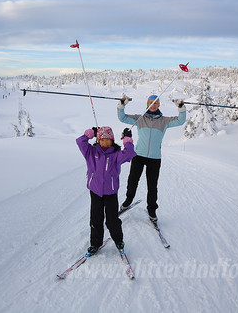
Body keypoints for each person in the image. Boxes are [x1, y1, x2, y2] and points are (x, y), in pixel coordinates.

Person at [117, 94, 186, 221]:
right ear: (147, 104)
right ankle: (128, 201)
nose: (153, 105)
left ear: (159, 105)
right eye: (151, 102)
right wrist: (122, 104)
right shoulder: (140, 119)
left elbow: (180, 121)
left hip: (154, 158)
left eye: (155, 103)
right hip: (138, 155)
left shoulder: (164, 121)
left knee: (152, 185)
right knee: (133, 180)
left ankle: (152, 210)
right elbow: (122, 118)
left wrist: (181, 108)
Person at [76, 126, 136, 254]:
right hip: (95, 192)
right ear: (98, 140)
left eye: (108, 140)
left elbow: (130, 154)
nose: (105, 143)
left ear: (112, 140)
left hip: (111, 193)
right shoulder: (91, 152)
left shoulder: (116, 155)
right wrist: (89, 134)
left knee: (112, 220)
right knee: (96, 219)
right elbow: (80, 142)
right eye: (102, 140)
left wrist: (127, 139)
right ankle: (95, 244)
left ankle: (118, 240)